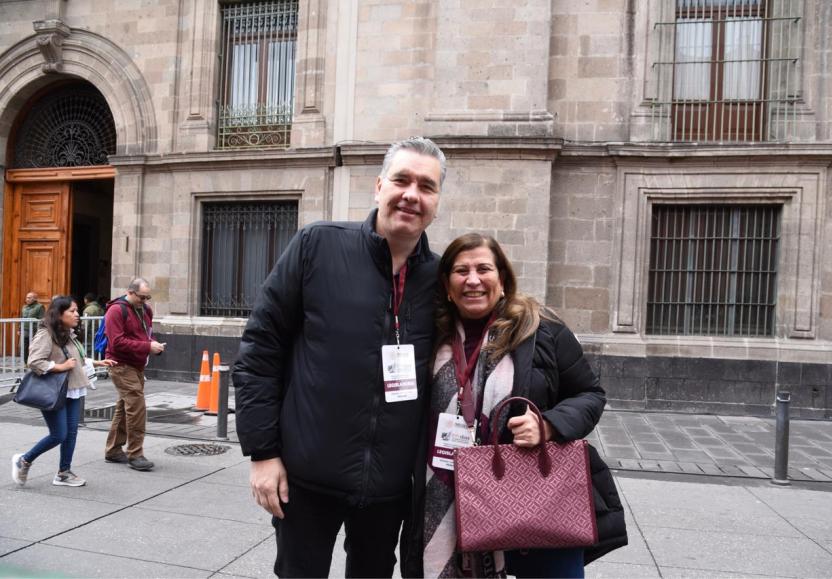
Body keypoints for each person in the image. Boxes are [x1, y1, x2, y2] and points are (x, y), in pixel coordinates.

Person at [232, 136, 446, 578]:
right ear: (378, 186)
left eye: (426, 186)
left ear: (437, 201)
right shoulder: (318, 246)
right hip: (305, 480)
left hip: (389, 490)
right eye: (402, 180)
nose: (412, 194)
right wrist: (262, 452)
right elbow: (259, 350)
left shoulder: (441, 278)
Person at [418, 233, 626, 578]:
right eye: (461, 271)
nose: (473, 280)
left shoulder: (541, 329)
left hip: (534, 502)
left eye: (484, 268)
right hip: (446, 500)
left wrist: (548, 425)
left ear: (502, 279)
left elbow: (590, 394)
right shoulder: (430, 338)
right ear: (447, 284)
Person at [11, 296, 116, 487]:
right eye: (72, 311)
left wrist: (98, 362)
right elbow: (34, 361)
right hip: (54, 390)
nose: (77, 314)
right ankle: (24, 460)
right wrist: (60, 367)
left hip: (73, 388)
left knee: (71, 432)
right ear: (59, 314)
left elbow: (75, 358)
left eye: (77, 310)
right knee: (59, 434)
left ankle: (63, 473)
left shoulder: (68, 334)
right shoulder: (46, 334)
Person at [103, 278, 165, 472]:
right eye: (142, 297)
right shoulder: (116, 310)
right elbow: (117, 342)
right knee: (137, 406)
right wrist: (148, 346)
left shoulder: (145, 310)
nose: (145, 301)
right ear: (130, 292)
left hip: (137, 365)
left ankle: (113, 450)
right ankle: (135, 454)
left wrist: (154, 345)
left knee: (125, 407)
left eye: (148, 297)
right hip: (120, 364)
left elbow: (146, 334)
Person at [20, 291, 45, 358]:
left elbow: (41, 319)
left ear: (35, 299)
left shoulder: (40, 307)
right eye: (26, 298)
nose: (27, 299)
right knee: (23, 346)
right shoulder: (24, 307)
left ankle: (34, 360)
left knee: (34, 346)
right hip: (24, 330)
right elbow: (21, 318)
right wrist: (19, 329)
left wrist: (40, 330)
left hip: (34, 330)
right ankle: (25, 362)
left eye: (29, 298)